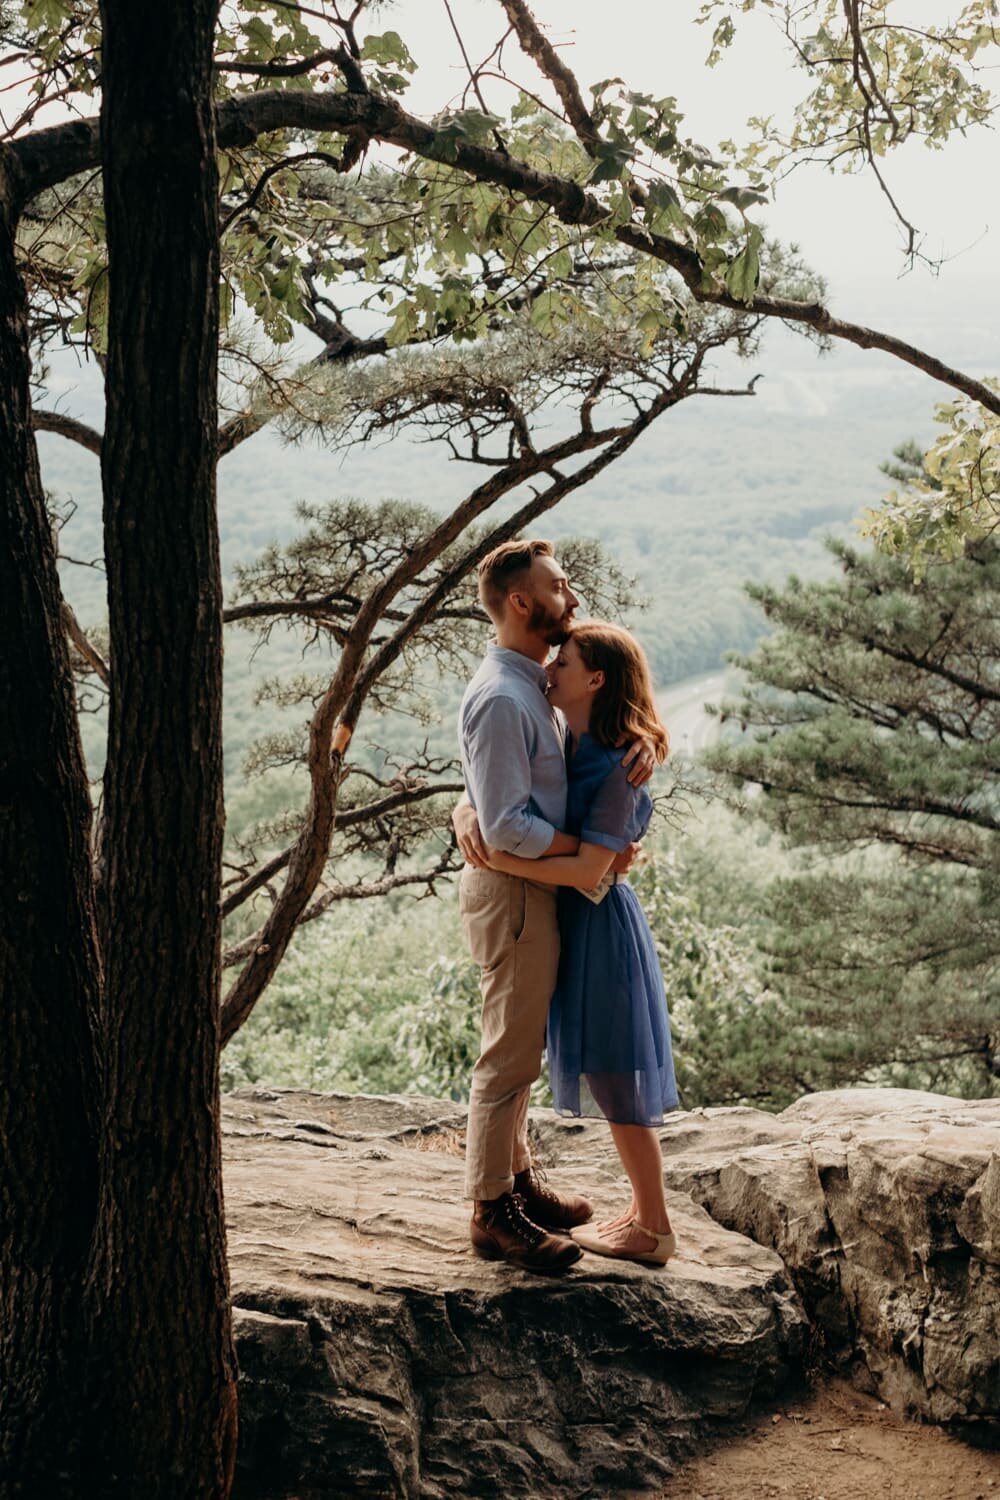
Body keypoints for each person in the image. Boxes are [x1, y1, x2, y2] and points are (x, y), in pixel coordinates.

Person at [454, 540, 655, 1275]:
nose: (570, 597)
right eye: (558, 586)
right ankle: (490, 1208)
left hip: (534, 888)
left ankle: (518, 1180)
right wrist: (590, 850)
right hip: (514, 891)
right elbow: (505, 822)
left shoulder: (533, 682)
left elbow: (495, 790)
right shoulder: (509, 697)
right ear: (520, 602)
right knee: (507, 1056)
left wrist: (636, 747)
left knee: (522, 1047)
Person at [483, 622, 679, 1267]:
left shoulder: (616, 758)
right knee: (604, 1065)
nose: (550, 669)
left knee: (615, 1072)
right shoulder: (577, 739)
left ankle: (652, 1226)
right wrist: (470, 817)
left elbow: (589, 871)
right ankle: (642, 1213)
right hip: (583, 922)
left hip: (601, 928)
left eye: (562, 662)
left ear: (595, 679)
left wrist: (501, 859)